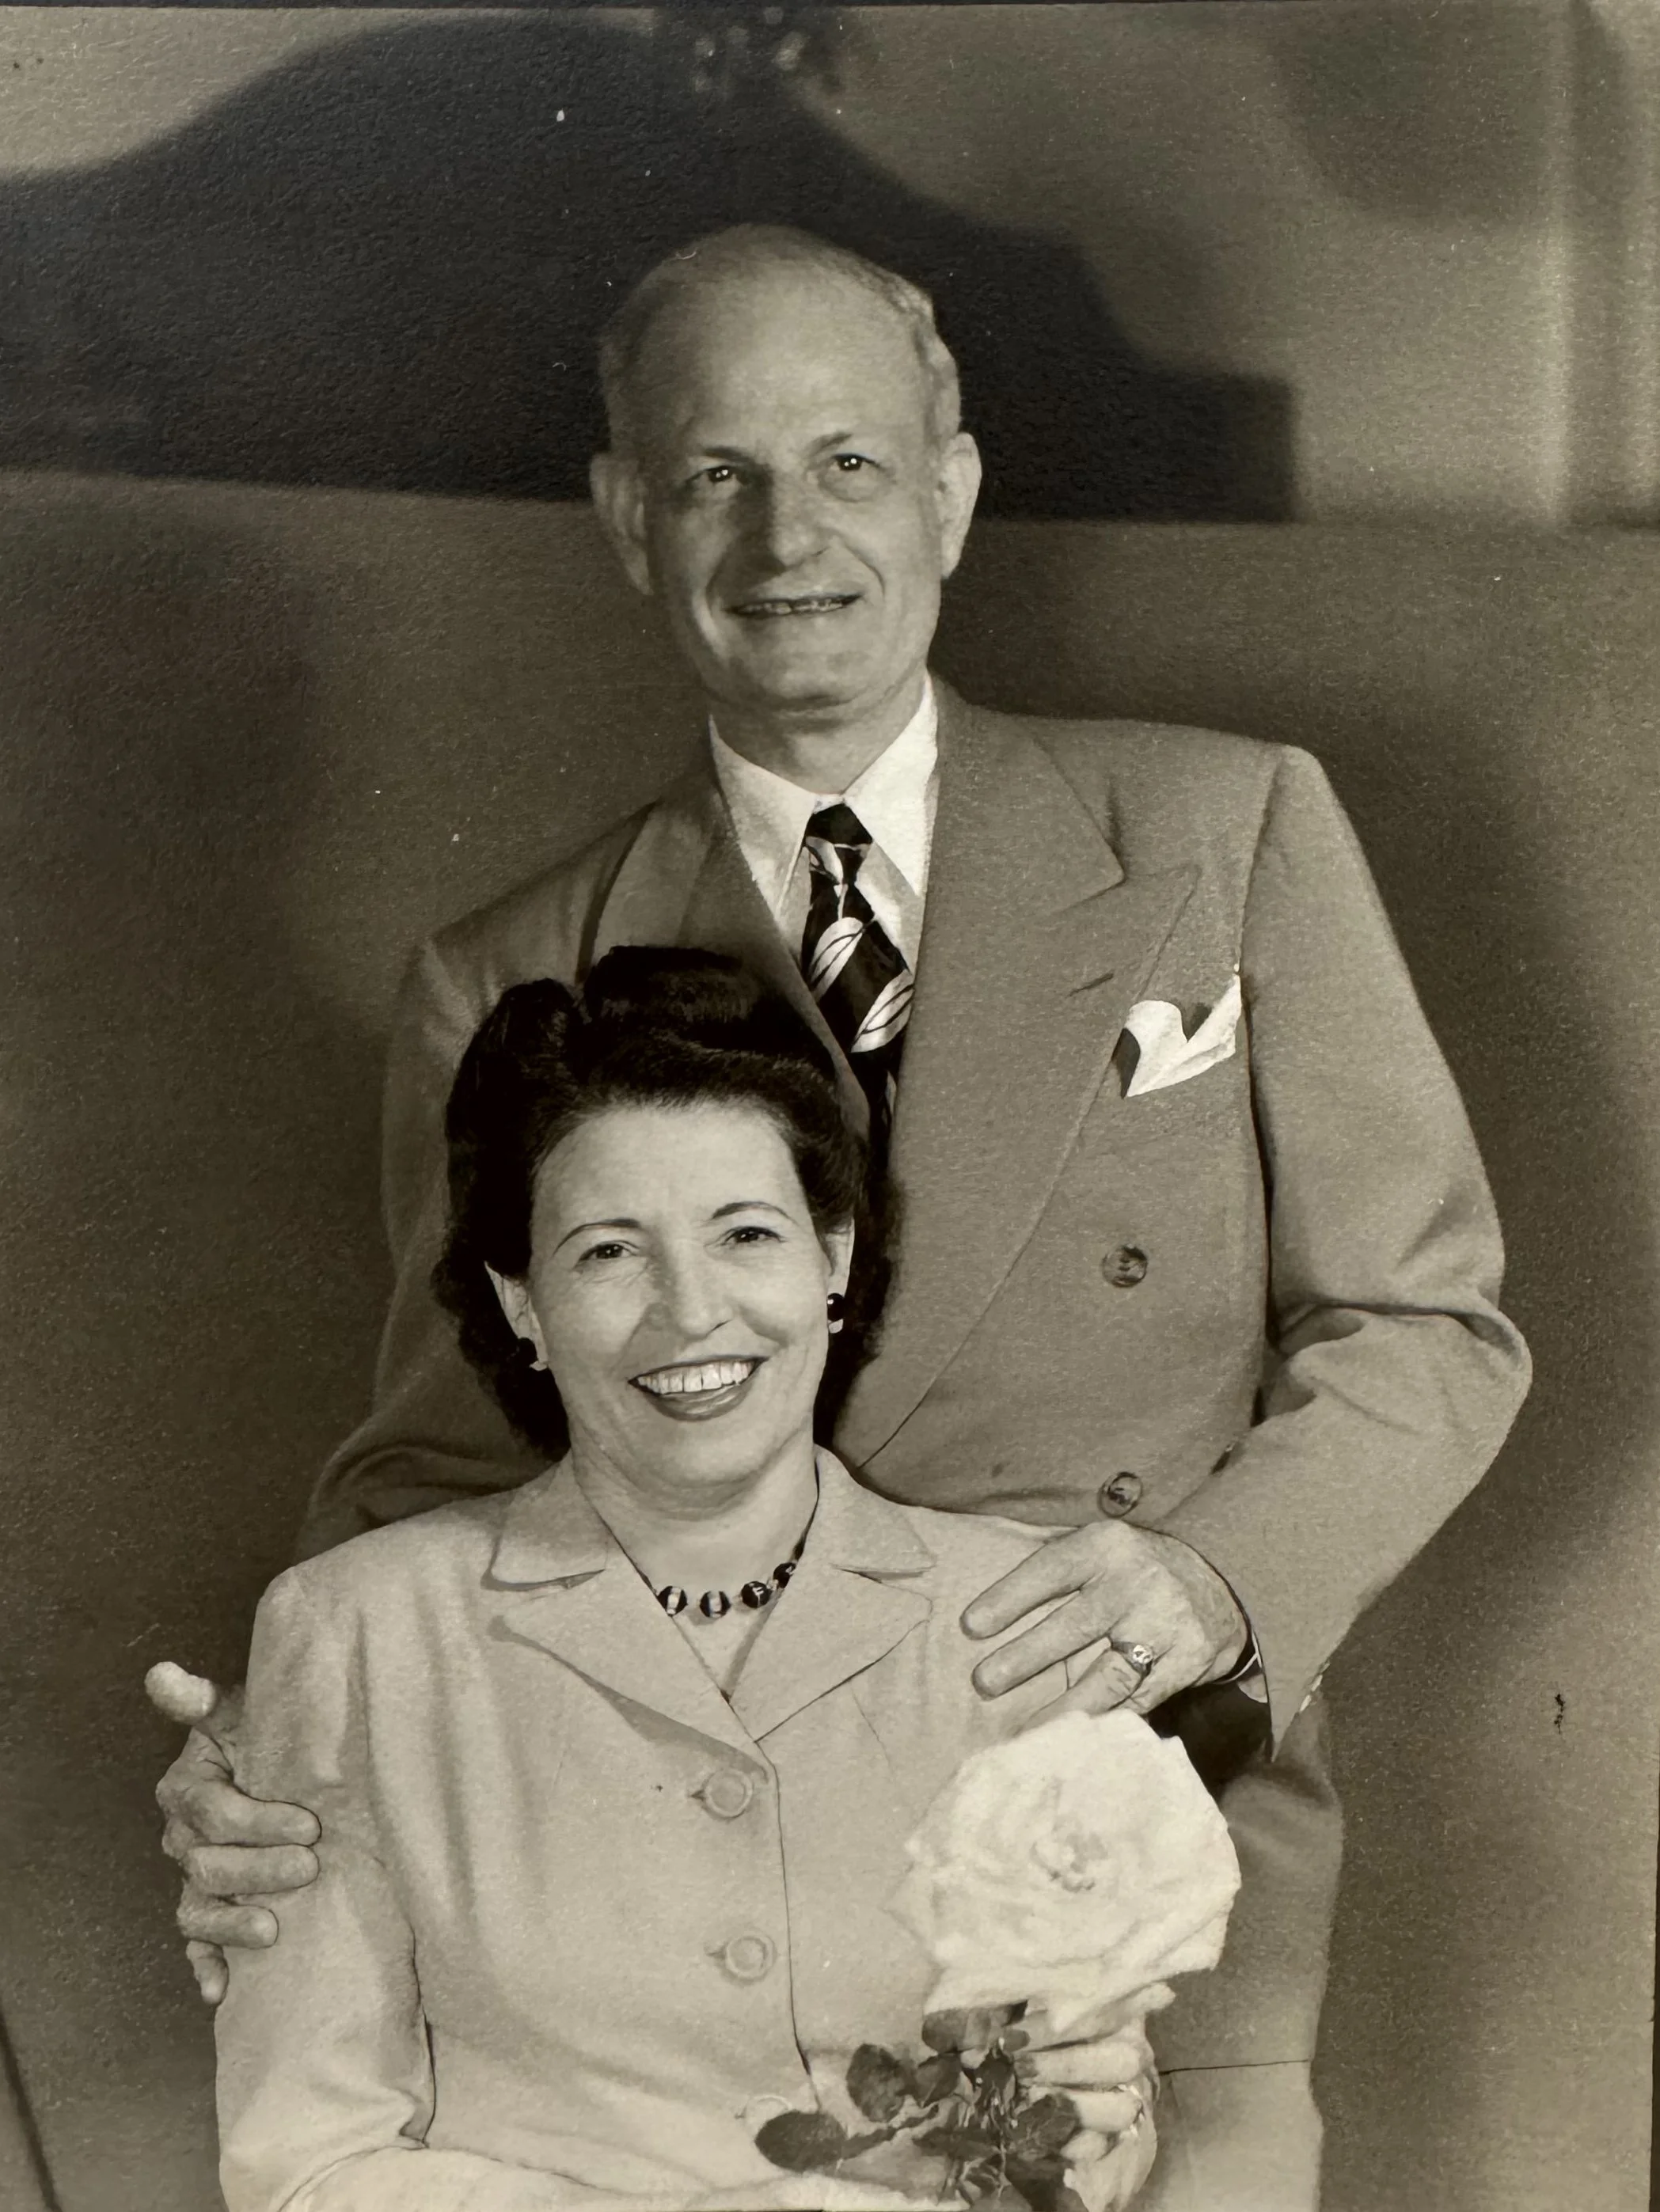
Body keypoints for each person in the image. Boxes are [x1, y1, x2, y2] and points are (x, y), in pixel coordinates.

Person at [154, 225, 1530, 2210]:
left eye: (852, 463)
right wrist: (285, 1770)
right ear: (629, 517)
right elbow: (433, 1478)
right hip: (631, 1936)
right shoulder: (509, 968)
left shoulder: (1225, 832)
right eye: (717, 474)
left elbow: (1428, 1326)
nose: (787, 534)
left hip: (1117, 1861)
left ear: (953, 492)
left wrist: (1214, 1579)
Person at [215, 947, 1162, 2212]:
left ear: (833, 1260)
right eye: (610, 1252)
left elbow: (1088, 2124)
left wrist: (1094, 2134)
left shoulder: (1024, 1623)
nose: (690, 1311)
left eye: (746, 1234)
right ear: (523, 1304)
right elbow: (305, 2160)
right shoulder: (358, 1631)